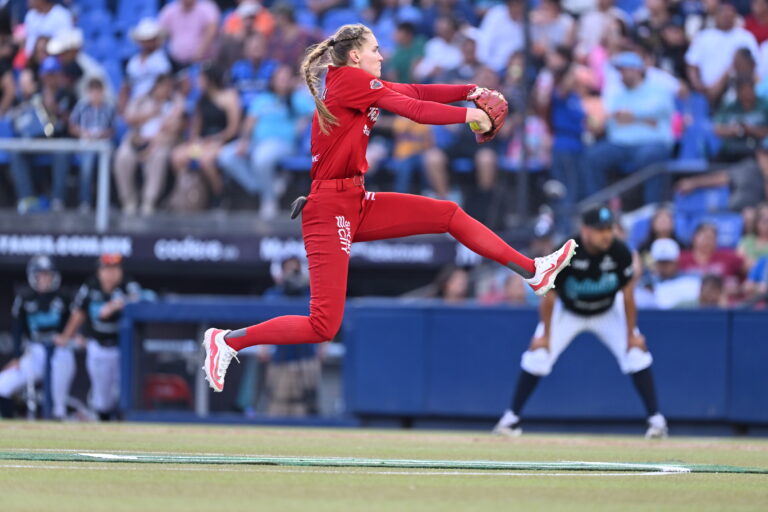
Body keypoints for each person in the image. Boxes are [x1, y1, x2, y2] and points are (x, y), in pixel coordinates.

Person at [201, 23, 577, 393]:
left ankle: (533, 271)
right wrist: (471, 115)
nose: (381, 56)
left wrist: (471, 90)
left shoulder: (359, 82)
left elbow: (413, 89)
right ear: (354, 55)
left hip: (354, 199)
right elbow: (413, 109)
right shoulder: (348, 79)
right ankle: (228, 341)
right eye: (375, 50)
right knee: (323, 325)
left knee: (448, 214)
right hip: (329, 207)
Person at [493, 206, 668, 439]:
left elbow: (627, 293)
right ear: (585, 230)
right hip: (569, 311)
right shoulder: (567, 251)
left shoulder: (619, 252)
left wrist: (631, 334)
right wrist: (545, 333)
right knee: (538, 356)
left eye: (609, 228)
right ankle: (511, 418)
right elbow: (550, 294)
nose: (606, 234)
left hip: (607, 310)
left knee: (636, 354)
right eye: (599, 230)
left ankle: (656, 421)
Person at [217, 65, 314, 218]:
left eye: (286, 78)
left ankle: (268, 200)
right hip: (256, 142)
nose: (283, 81)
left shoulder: (296, 98)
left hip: (282, 144)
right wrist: (244, 140)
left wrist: (304, 119)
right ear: (273, 80)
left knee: (261, 158)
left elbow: (318, 112)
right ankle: (262, 187)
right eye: (280, 78)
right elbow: (249, 122)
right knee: (226, 156)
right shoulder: (262, 99)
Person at [56, 254, 143, 420]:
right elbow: (78, 313)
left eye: (115, 269)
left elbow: (140, 298)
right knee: (103, 399)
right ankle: (104, 425)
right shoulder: (90, 287)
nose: (111, 274)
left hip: (122, 349)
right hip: (98, 347)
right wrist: (67, 336)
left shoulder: (127, 285)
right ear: (99, 271)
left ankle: (123, 425)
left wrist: (116, 304)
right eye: (107, 269)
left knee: (125, 393)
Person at [0, 255, 74, 420]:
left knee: (58, 405)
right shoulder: (25, 298)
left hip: (59, 351)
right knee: (2, 385)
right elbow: (17, 328)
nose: (44, 279)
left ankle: (58, 435)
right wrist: (17, 357)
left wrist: (67, 337)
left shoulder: (63, 297)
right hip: (35, 352)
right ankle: (11, 428)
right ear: (33, 276)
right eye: (40, 275)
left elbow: (74, 321)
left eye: (48, 274)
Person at [115, 74, 184, 215]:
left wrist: (154, 141)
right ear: (156, 87)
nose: (166, 90)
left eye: (169, 87)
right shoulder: (141, 100)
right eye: (163, 87)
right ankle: (128, 201)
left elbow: (176, 127)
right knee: (123, 156)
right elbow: (128, 118)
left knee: (159, 157)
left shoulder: (173, 104)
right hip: (137, 140)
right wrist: (151, 114)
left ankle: (149, 202)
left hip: (161, 143)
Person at [68, 77, 115, 212]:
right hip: (86, 143)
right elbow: (72, 127)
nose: (95, 95)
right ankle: (85, 201)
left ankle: (106, 202)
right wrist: (84, 133)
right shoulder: (81, 106)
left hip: (103, 145)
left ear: (102, 92)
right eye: (92, 92)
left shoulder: (109, 107)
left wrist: (102, 134)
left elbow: (112, 130)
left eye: (98, 92)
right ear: (88, 92)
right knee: (86, 166)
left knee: (106, 166)